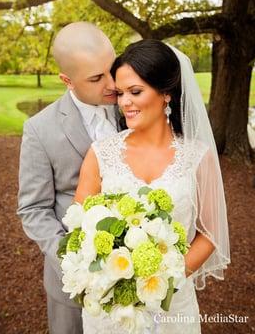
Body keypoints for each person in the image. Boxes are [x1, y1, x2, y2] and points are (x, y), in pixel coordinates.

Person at [74, 39, 231, 333]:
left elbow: (210, 232)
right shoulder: (100, 154)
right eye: (120, 93)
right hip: (112, 311)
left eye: (135, 92)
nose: (124, 103)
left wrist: (160, 280)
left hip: (172, 304)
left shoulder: (198, 158)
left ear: (166, 93)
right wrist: (120, 281)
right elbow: (79, 226)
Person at [17, 22, 123, 334]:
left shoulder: (132, 105)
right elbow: (33, 209)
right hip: (73, 286)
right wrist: (74, 257)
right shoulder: (39, 129)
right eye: (96, 78)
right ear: (67, 81)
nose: (112, 83)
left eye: (112, 69)